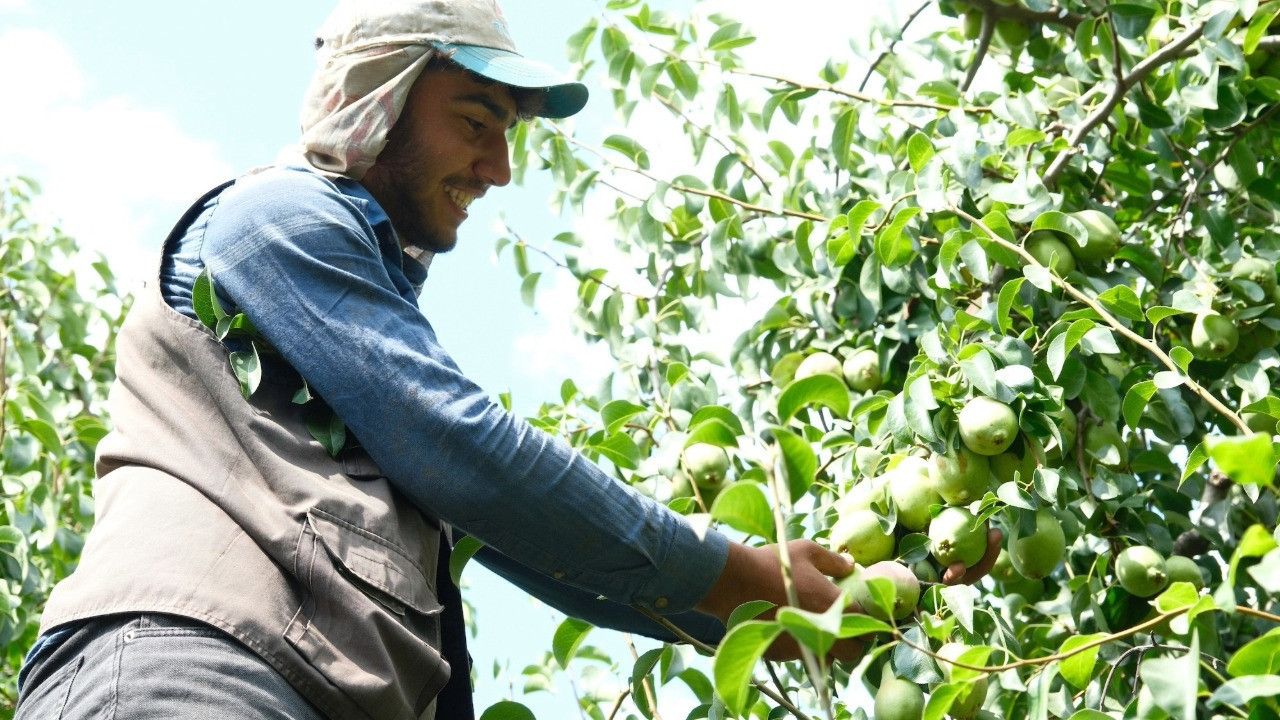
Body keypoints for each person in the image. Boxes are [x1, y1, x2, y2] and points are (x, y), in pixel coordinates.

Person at [14, 2, 1000, 719]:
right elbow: (467, 453)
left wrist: (815, 607)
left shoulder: (358, 342)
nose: (499, 169)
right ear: (374, 102)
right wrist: (747, 580)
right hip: (193, 672)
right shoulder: (277, 218)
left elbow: (534, 542)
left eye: (507, 136)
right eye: (475, 122)